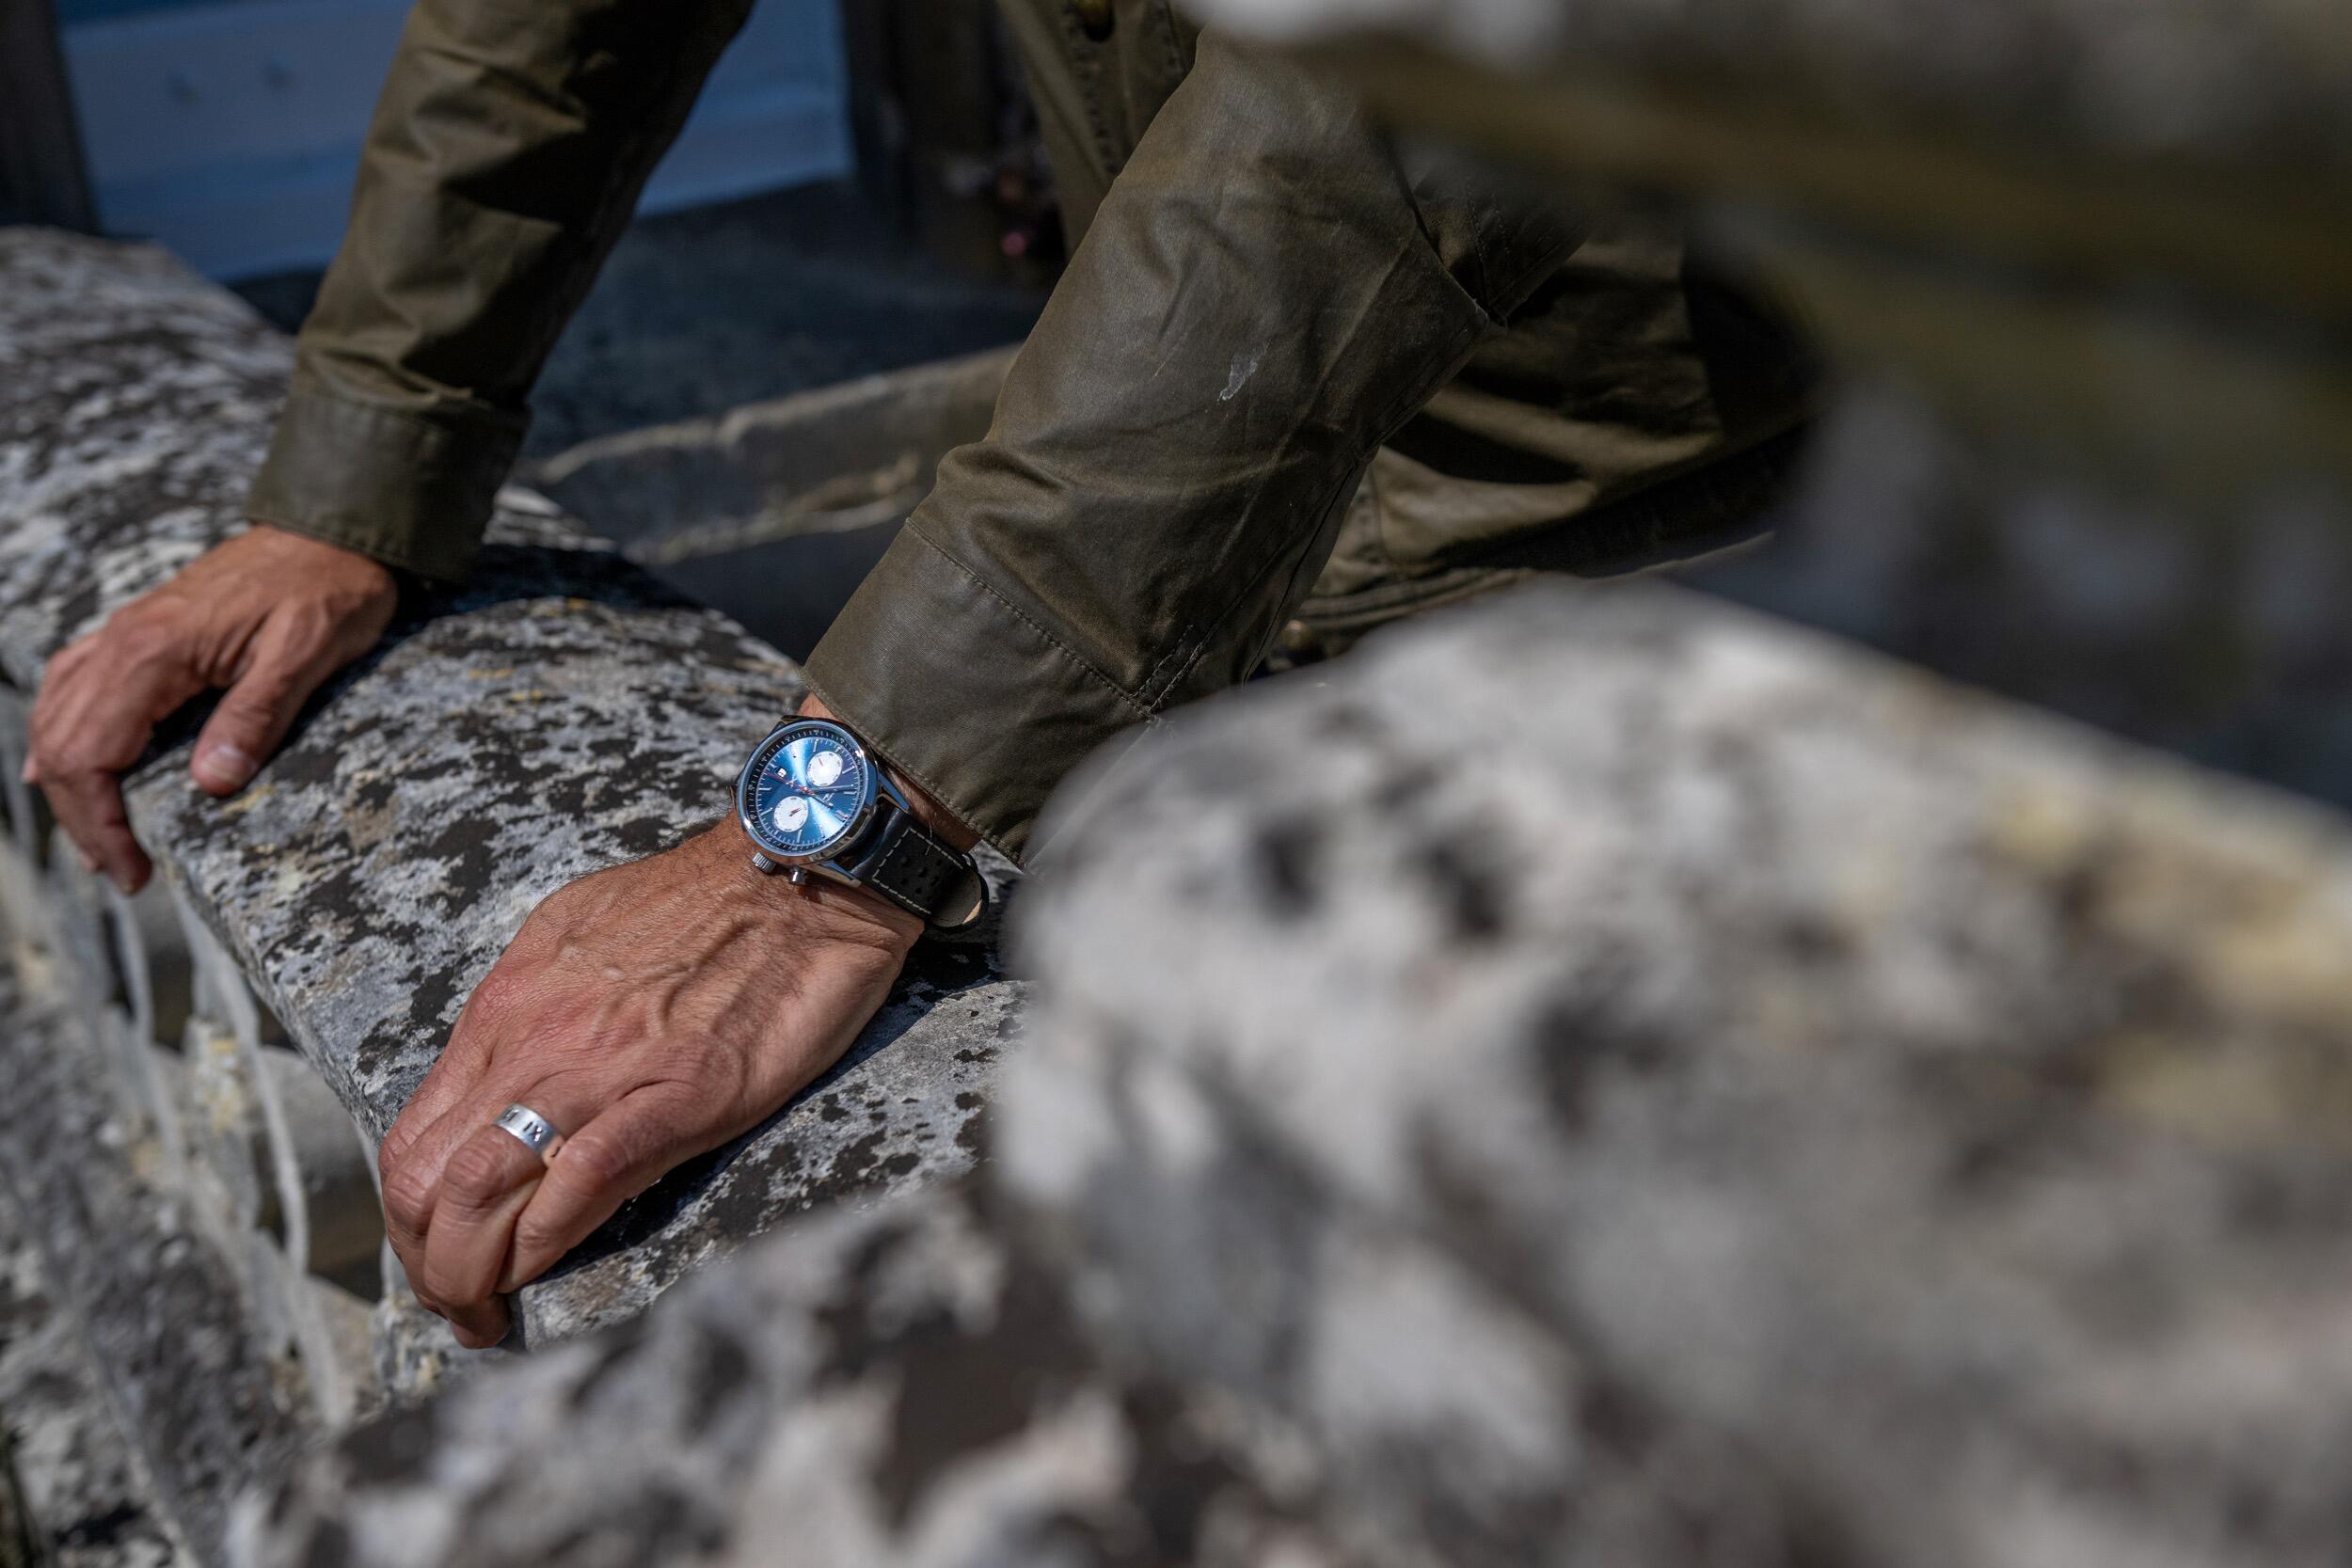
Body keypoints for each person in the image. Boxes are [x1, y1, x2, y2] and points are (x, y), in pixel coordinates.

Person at [25, 0, 1814, 1347]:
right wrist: (374, 451)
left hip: (1657, 525)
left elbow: (1395, 75)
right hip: (1185, 467)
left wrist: (836, 838)